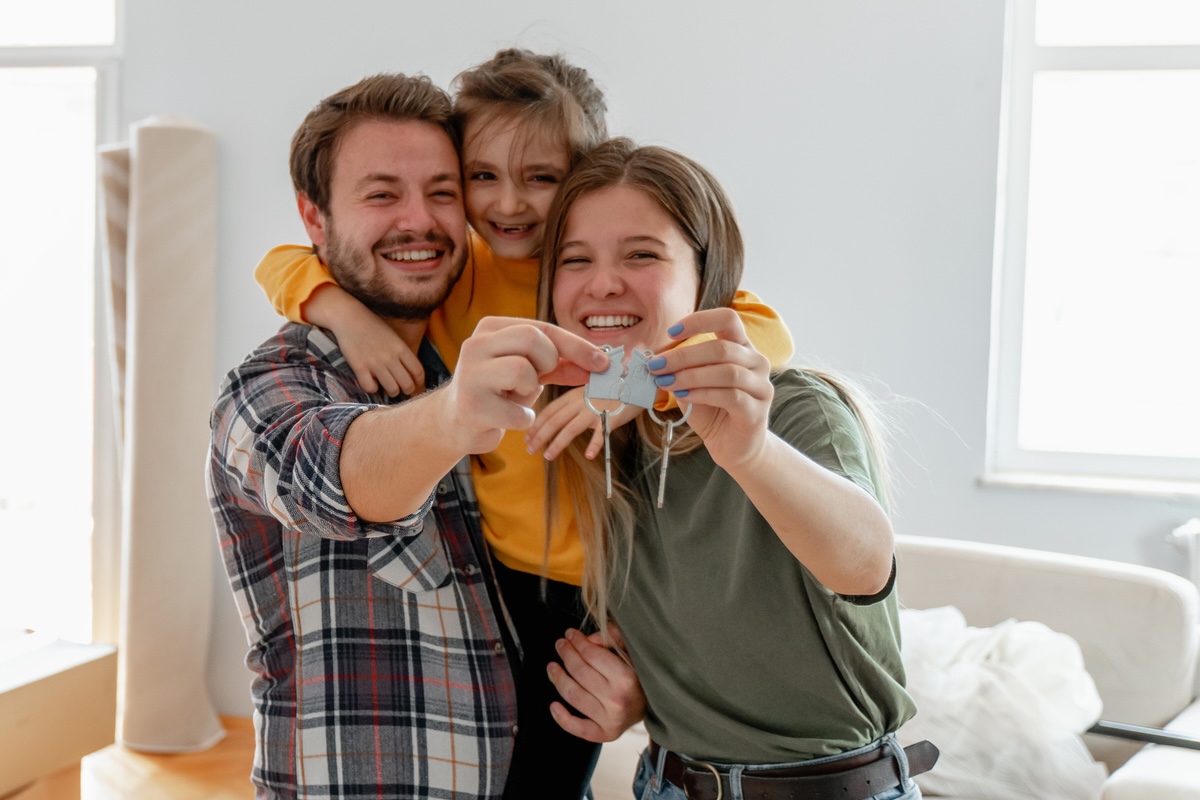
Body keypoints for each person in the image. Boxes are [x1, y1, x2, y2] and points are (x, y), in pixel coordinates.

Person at [252, 48, 796, 798]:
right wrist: (346, 316)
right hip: (503, 573)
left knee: (553, 770)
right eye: (483, 177)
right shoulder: (458, 267)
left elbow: (763, 334)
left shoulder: (592, 273)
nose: (510, 204)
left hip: (614, 581)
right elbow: (281, 261)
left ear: (583, 174)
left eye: (541, 178)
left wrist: (635, 384)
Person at [206, 72, 640, 800]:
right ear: (314, 219)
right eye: (381, 195)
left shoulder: (491, 338)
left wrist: (626, 693)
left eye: (442, 193)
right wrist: (449, 412)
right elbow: (334, 477)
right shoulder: (268, 390)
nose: (420, 221)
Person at [530, 137, 938, 799]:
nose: (603, 282)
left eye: (642, 254)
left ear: (706, 277)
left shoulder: (794, 407)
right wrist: (641, 693)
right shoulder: (597, 442)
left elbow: (867, 565)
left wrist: (751, 454)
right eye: (576, 261)